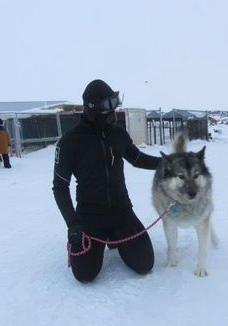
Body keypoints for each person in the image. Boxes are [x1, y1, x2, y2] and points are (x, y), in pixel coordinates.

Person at [53, 79, 160, 283]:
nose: (114, 111)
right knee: (84, 275)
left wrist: (167, 163)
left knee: (145, 264)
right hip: (90, 214)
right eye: (109, 105)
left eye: (115, 103)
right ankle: (105, 239)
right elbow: (60, 187)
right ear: (93, 108)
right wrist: (73, 223)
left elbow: (137, 159)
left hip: (121, 209)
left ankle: (115, 237)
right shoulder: (69, 142)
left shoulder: (117, 133)